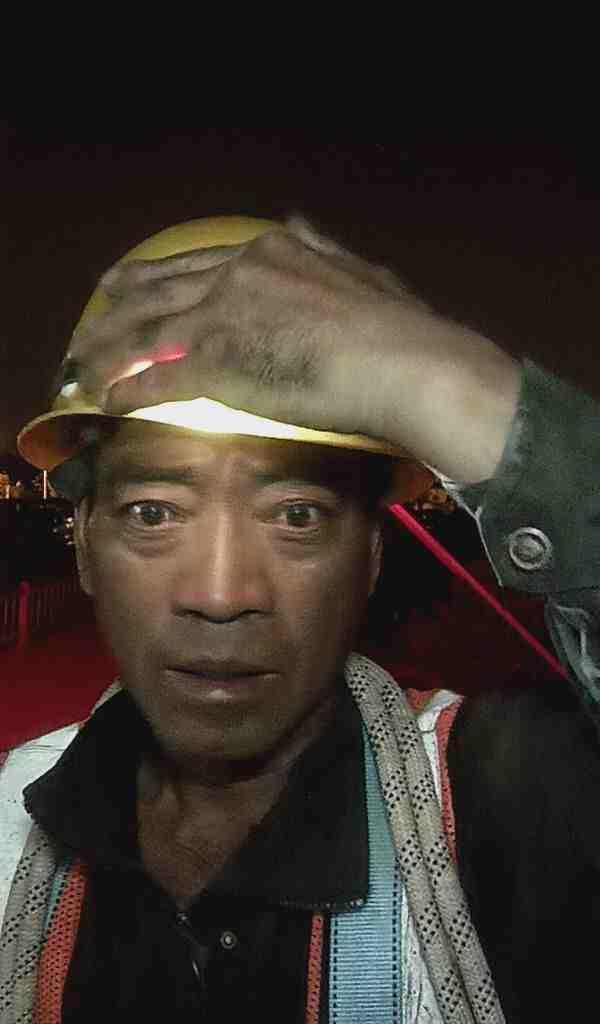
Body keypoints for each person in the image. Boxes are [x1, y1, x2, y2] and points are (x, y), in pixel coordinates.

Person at [1, 216, 599, 1023]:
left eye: (297, 516)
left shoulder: (514, 804)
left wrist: (457, 387)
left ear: (371, 558)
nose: (220, 593)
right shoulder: (10, 815)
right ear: (84, 547)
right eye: (153, 512)